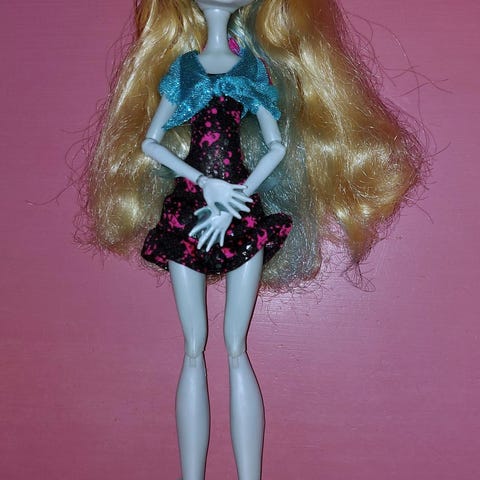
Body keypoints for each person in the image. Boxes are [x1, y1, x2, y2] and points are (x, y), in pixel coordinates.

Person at [80, 1, 424, 478]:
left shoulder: (251, 68)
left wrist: (238, 197)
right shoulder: (183, 68)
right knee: (193, 347)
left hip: (240, 212)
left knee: (235, 345)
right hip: (190, 211)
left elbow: (276, 145)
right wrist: (206, 184)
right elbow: (150, 141)